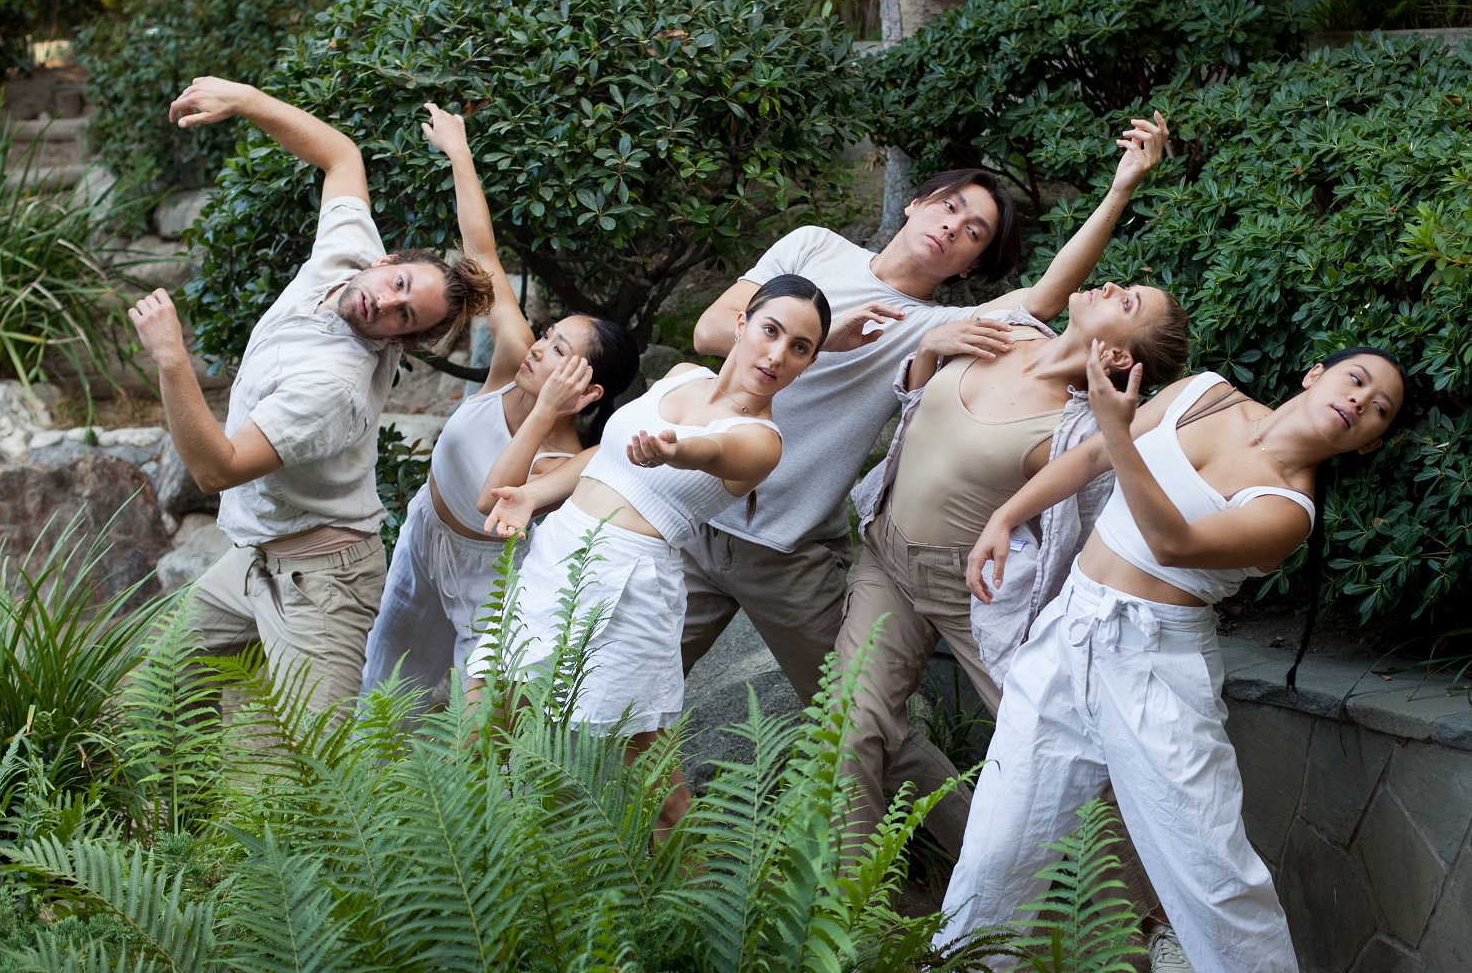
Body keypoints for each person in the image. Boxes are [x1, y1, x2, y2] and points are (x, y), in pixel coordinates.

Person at [687, 114, 1170, 848]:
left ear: (970, 267)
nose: (952, 226)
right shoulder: (813, 246)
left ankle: (978, 871)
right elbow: (709, 330)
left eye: (974, 232)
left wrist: (1123, 184)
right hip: (690, 514)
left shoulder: (943, 326)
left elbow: (1047, 296)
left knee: (859, 727)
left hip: (784, 545)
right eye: (949, 206)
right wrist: (820, 340)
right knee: (613, 686)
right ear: (915, 203)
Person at [934, 345, 1409, 973]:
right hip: (1069, 633)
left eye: (1379, 409)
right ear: (1314, 373)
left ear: (1370, 443)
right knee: (997, 852)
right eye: (1356, 379)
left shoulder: (1289, 508)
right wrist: (1006, 514)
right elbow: (1095, 456)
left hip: (1156, 667)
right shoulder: (1204, 392)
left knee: (1212, 875)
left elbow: (1171, 542)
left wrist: (1116, 427)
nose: (1359, 400)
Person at [836, 114, 1188, 853]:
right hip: (885, 557)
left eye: (1126, 303)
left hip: (972, 587)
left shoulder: (1076, 432)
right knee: (847, 729)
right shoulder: (1008, 327)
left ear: (1116, 359)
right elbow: (921, 398)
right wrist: (927, 349)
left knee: (1053, 740)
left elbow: (1105, 534)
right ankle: (851, 912)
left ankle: (1128, 902)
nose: (1111, 285)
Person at [128, 77, 493, 714]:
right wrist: (244, 99)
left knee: (317, 768)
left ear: (399, 340)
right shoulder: (348, 261)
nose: (388, 303)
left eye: (405, 316)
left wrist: (171, 360)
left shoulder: (336, 386)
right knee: (146, 702)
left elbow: (216, 469)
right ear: (386, 260)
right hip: (254, 559)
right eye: (399, 284)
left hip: (322, 584)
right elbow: (341, 155)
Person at [481, 275, 831, 832]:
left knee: (649, 771)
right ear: (742, 324)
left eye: (799, 348)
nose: (777, 355)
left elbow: (713, 449)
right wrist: (533, 494)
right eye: (771, 330)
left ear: (808, 363)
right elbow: (604, 456)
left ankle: (695, 885)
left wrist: (676, 449)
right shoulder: (683, 374)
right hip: (559, 551)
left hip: (632, 586)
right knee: (485, 715)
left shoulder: (762, 440)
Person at [358, 103, 640, 716]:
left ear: (589, 390)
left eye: (559, 350)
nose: (540, 347)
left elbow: (495, 497)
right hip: (424, 528)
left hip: (486, 579)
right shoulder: (514, 360)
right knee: (385, 688)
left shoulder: (563, 462)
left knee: (479, 721)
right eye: (550, 334)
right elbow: (481, 256)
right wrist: (460, 153)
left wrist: (545, 410)